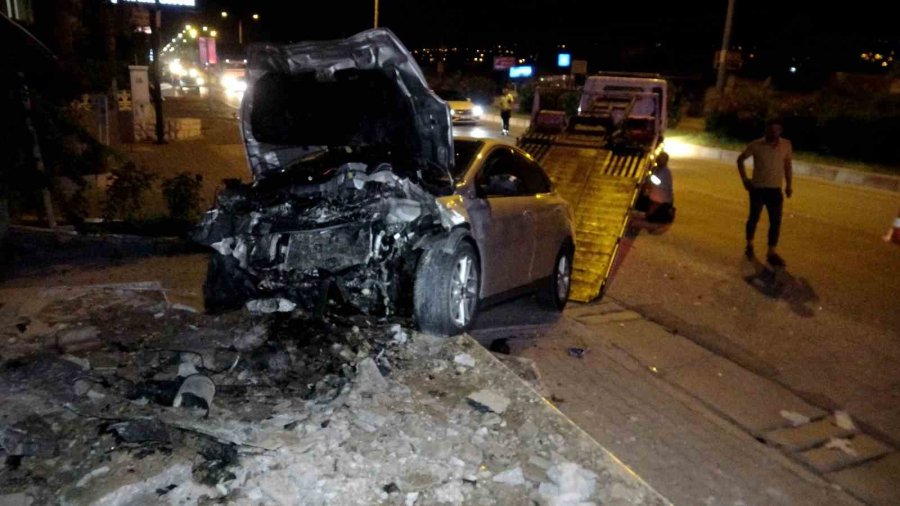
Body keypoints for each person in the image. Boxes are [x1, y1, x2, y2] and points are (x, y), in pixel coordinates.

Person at [737, 119, 793, 267]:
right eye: (771, 130)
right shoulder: (756, 145)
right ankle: (749, 244)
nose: (773, 133)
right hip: (757, 189)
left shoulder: (786, 145)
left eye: (776, 130)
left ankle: (771, 252)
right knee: (753, 218)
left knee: (775, 221)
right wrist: (744, 179)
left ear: (780, 131)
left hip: (775, 190)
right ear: (766, 130)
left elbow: (787, 165)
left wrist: (789, 185)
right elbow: (740, 160)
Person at [632, 151, 675, 233]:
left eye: (660, 159)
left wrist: (648, 178)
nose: (658, 160)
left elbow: (656, 181)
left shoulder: (664, 172)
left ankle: (643, 224)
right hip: (658, 198)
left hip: (660, 200)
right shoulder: (659, 169)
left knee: (650, 215)